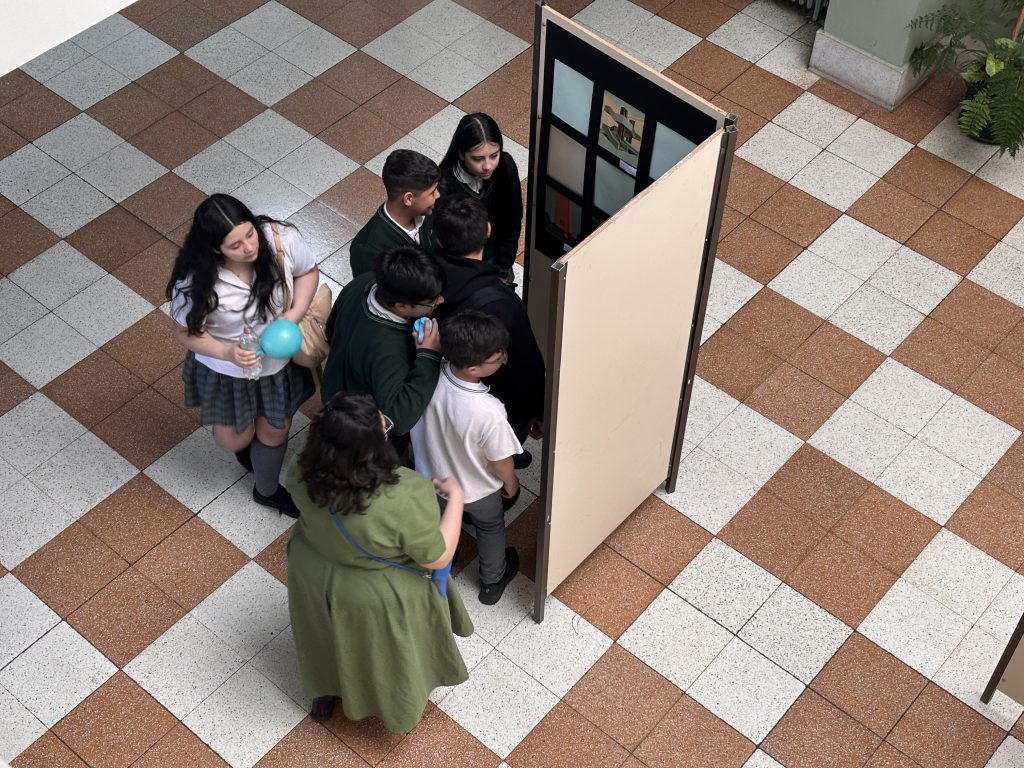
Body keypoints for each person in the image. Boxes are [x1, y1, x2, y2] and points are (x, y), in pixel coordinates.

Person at [286, 392, 472, 730]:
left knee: (323, 634)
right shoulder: (404, 492)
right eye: (382, 426)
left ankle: (325, 692)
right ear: (373, 449)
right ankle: (397, 709)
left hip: (311, 570)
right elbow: (438, 555)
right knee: (384, 652)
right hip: (374, 590)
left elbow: (295, 488)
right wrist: (456, 496)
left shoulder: (303, 462)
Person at [166, 194, 318, 518]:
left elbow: (308, 272)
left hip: (277, 367)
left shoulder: (279, 240)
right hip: (227, 372)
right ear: (214, 249)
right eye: (235, 245)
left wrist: (294, 314)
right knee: (234, 440)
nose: (249, 248)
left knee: (276, 430)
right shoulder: (195, 282)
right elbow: (185, 331)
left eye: (249, 234)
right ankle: (250, 451)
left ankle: (267, 490)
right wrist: (226, 351)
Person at [410, 310, 522, 605]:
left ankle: (449, 550)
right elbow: (499, 462)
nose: (502, 360)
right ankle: (492, 581)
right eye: (499, 359)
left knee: (441, 518)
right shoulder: (489, 412)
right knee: (489, 526)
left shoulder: (429, 371)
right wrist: (510, 482)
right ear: (473, 368)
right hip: (477, 490)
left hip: (431, 476)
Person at [432, 194, 545, 463]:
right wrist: (538, 410)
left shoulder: (424, 280)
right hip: (499, 400)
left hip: (443, 393)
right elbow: (525, 366)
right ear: (488, 230)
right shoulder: (500, 302)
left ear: (437, 239)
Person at [320, 246, 445, 453]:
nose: (441, 300)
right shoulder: (387, 349)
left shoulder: (363, 282)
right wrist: (429, 355)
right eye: (432, 301)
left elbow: (331, 331)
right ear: (402, 306)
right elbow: (399, 418)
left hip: (334, 391)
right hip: (361, 426)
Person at [438, 113, 523, 283]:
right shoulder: (443, 186)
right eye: (478, 159)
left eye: (494, 155)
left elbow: (513, 220)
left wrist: (503, 269)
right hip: (463, 269)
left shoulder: (506, 167)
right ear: (461, 154)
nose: (488, 166)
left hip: (498, 260)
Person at [349, 149, 439, 278]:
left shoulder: (428, 209)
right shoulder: (368, 250)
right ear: (408, 199)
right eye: (432, 192)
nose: (438, 195)